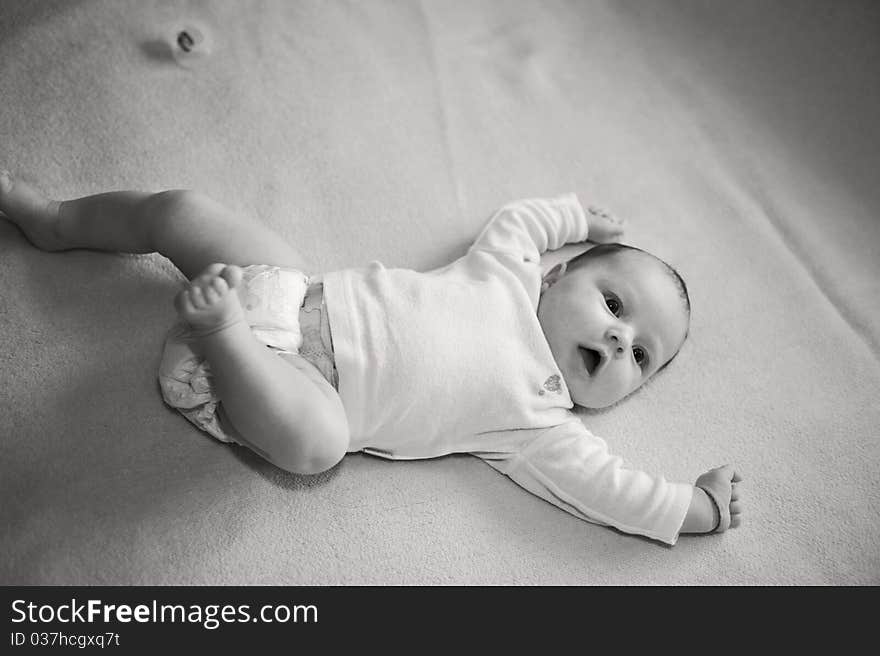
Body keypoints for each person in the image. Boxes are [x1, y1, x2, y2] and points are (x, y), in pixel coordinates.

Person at [0, 169, 742, 545]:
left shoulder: (540, 421)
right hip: (288, 296)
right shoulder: (506, 270)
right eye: (615, 305)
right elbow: (524, 219)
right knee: (183, 210)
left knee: (318, 446)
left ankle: (222, 337)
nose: (619, 340)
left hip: (273, 388)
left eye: (640, 356)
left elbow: (614, 491)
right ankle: (56, 221)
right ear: (555, 276)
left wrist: (697, 508)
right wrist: (578, 215)